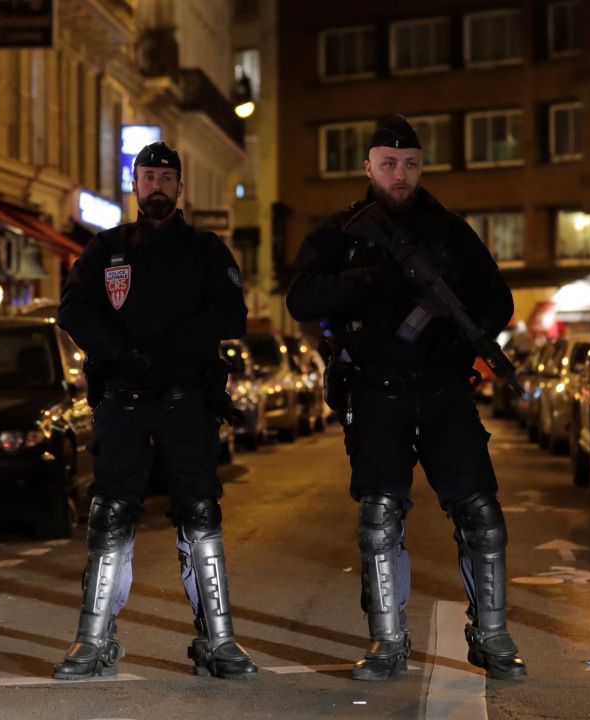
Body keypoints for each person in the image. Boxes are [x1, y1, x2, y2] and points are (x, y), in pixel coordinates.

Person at [286, 115, 526, 682]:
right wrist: (365, 281)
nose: (400, 174)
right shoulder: (343, 231)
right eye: (389, 164)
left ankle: (491, 636)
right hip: (375, 392)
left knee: (482, 515)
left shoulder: (449, 230)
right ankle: (387, 642)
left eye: (411, 164)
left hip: (443, 390)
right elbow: (300, 297)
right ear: (368, 166)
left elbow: (497, 300)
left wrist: (456, 328)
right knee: (379, 519)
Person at [53, 141, 257, 680]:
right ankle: (92, 641)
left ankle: (219, 640)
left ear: (180, 186)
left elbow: (231, 312)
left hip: (186, 400)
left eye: (166, 177)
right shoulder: (106, 249)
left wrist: (170, 349)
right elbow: (73, 309)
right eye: (148, 177)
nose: (157, 186)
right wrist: (123, 354)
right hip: (123, 400)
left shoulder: (207, 251)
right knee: (111, 513)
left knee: (200, 514)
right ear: (135, 185)